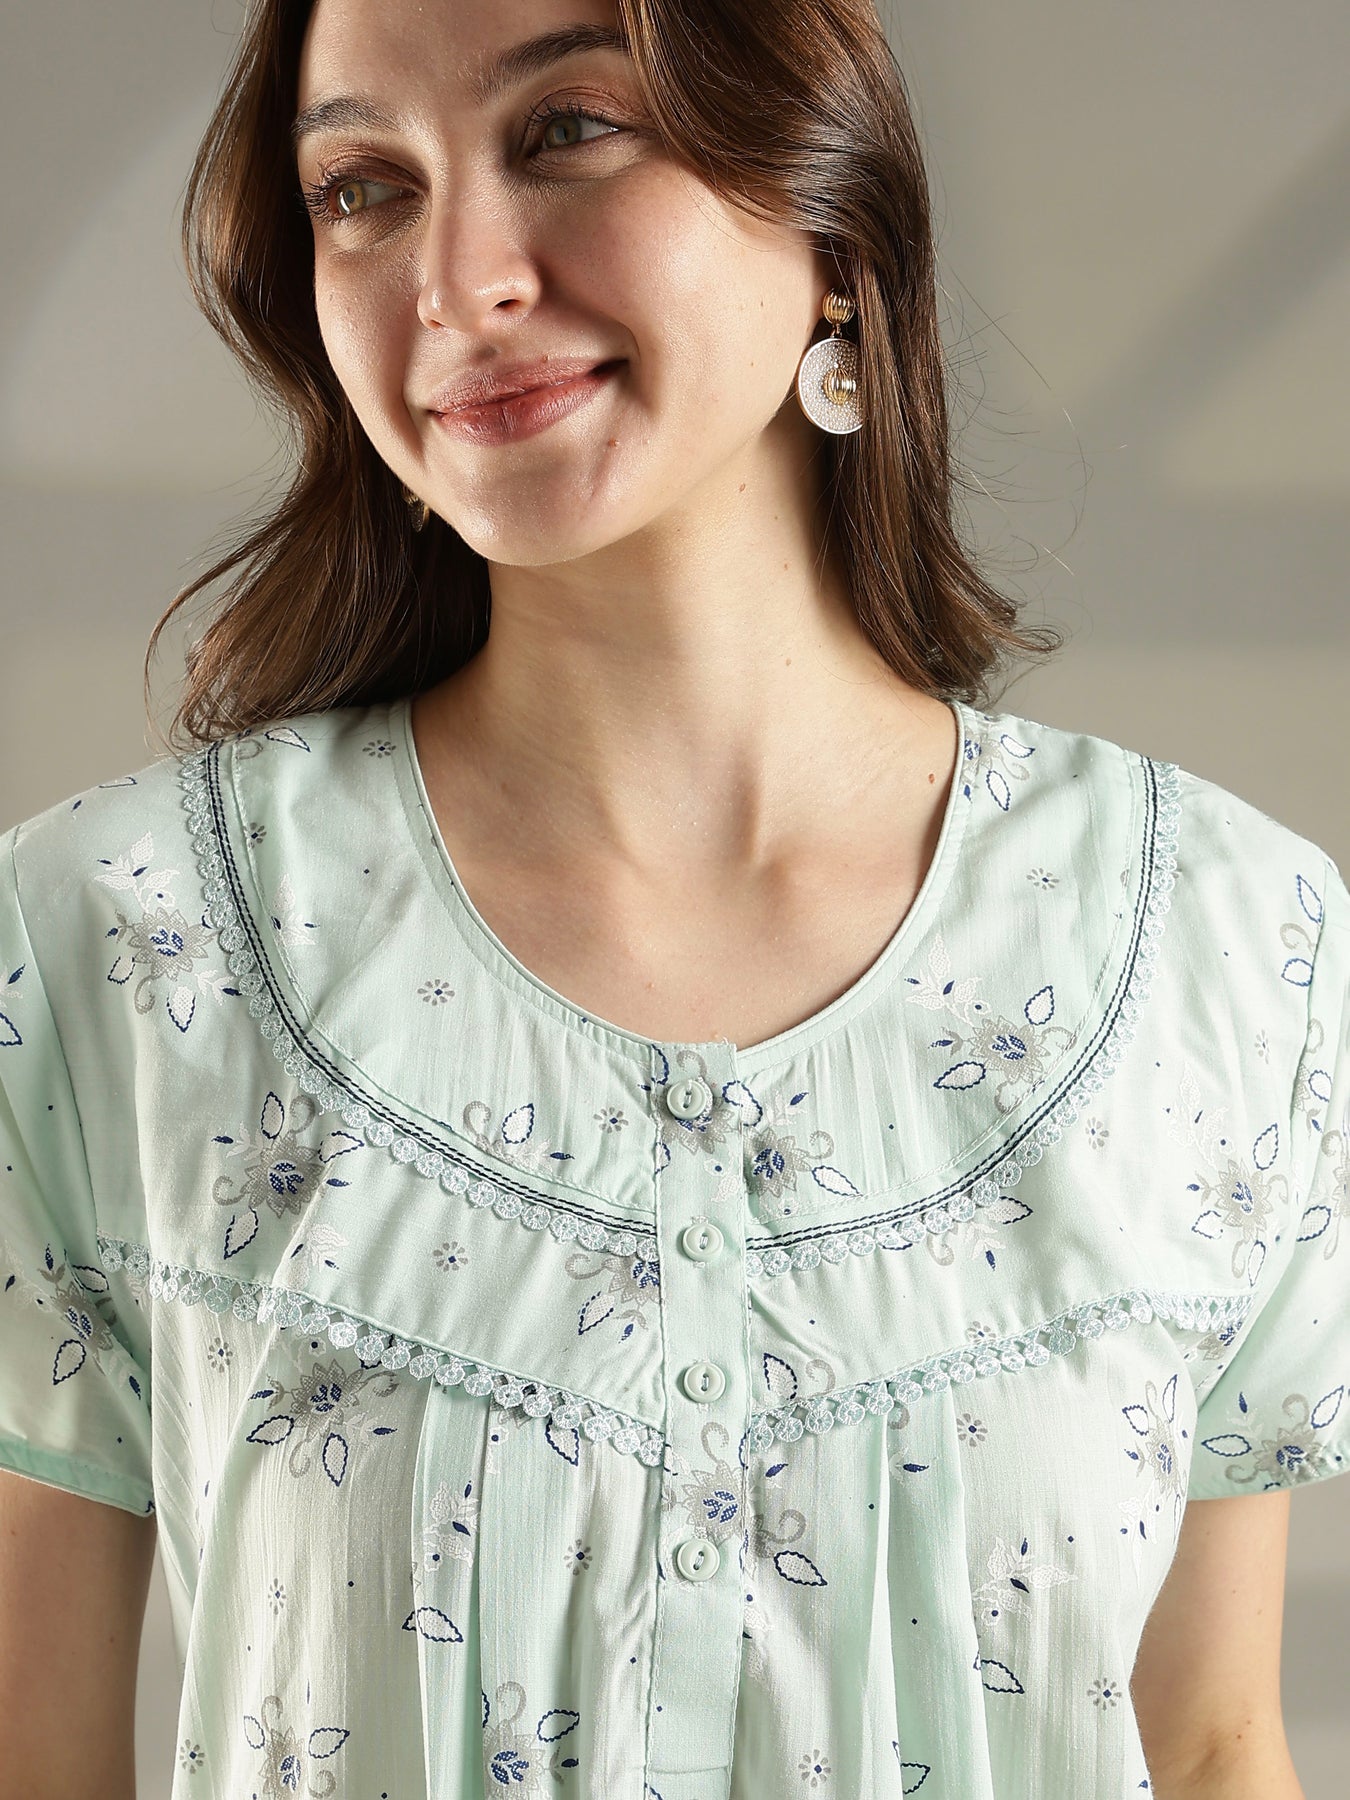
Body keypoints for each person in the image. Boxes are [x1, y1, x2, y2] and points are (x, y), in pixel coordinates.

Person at [0, 1, 1344, 1795]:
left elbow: (1212, 1739)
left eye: (566, 130)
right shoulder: (113, 940)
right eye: (362, 189)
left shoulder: (1227, 943)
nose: (454, 283)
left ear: (834, 226)